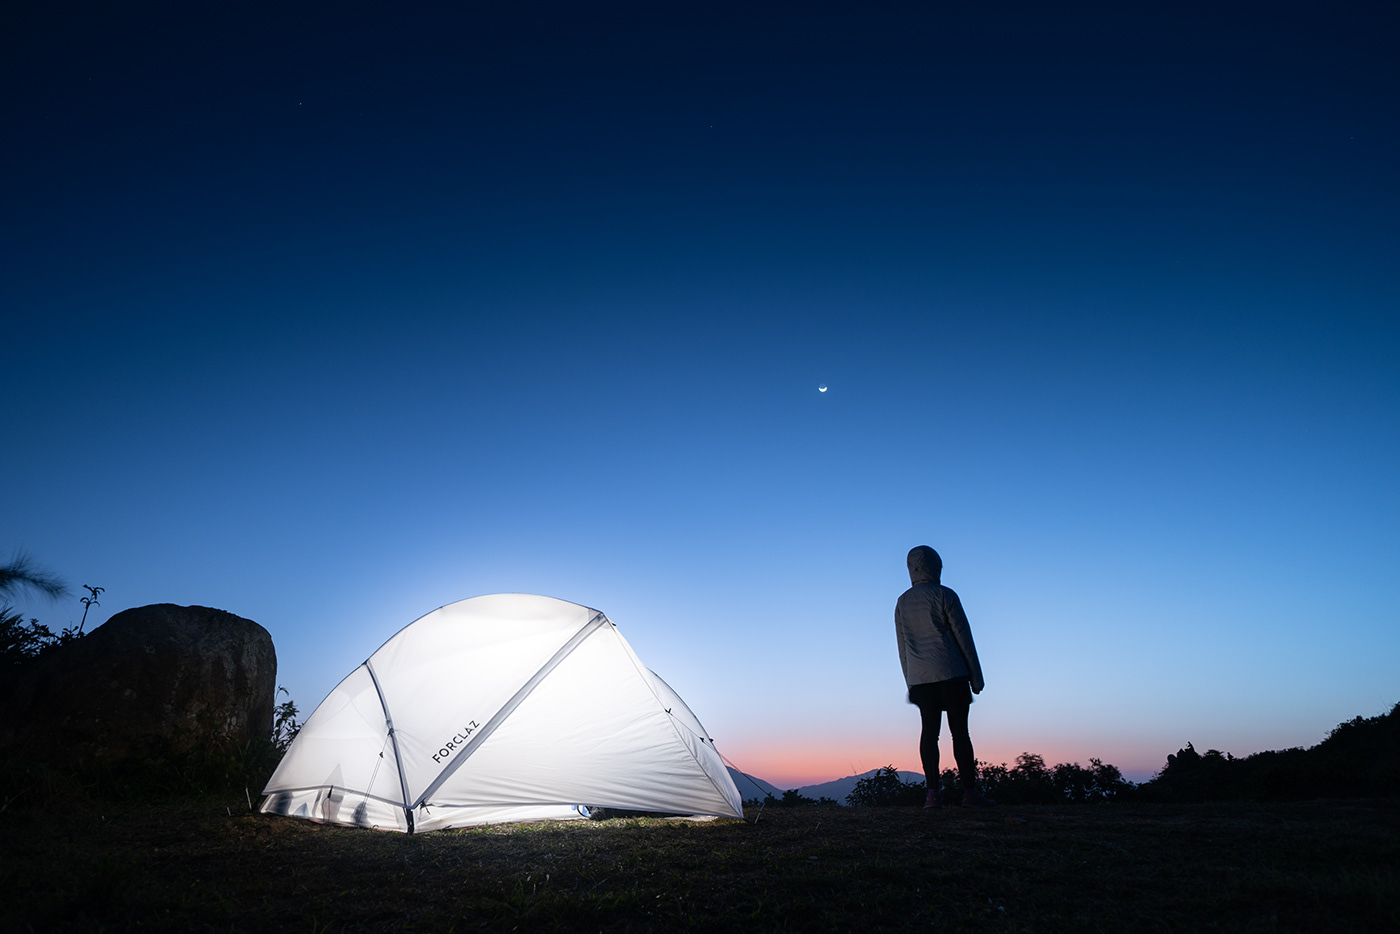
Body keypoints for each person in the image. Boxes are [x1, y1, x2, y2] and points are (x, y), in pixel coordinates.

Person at [895, 545, 995, 807]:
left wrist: (910, 681)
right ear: (935, 566)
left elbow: (902, 647)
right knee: (960, 733)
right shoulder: (945, 595)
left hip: (921, 679)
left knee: (929, 733)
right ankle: (970, 794)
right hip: (953, 674)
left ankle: (932, 795)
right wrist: (976, 676)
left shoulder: (902, 602)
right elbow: (964, 637)